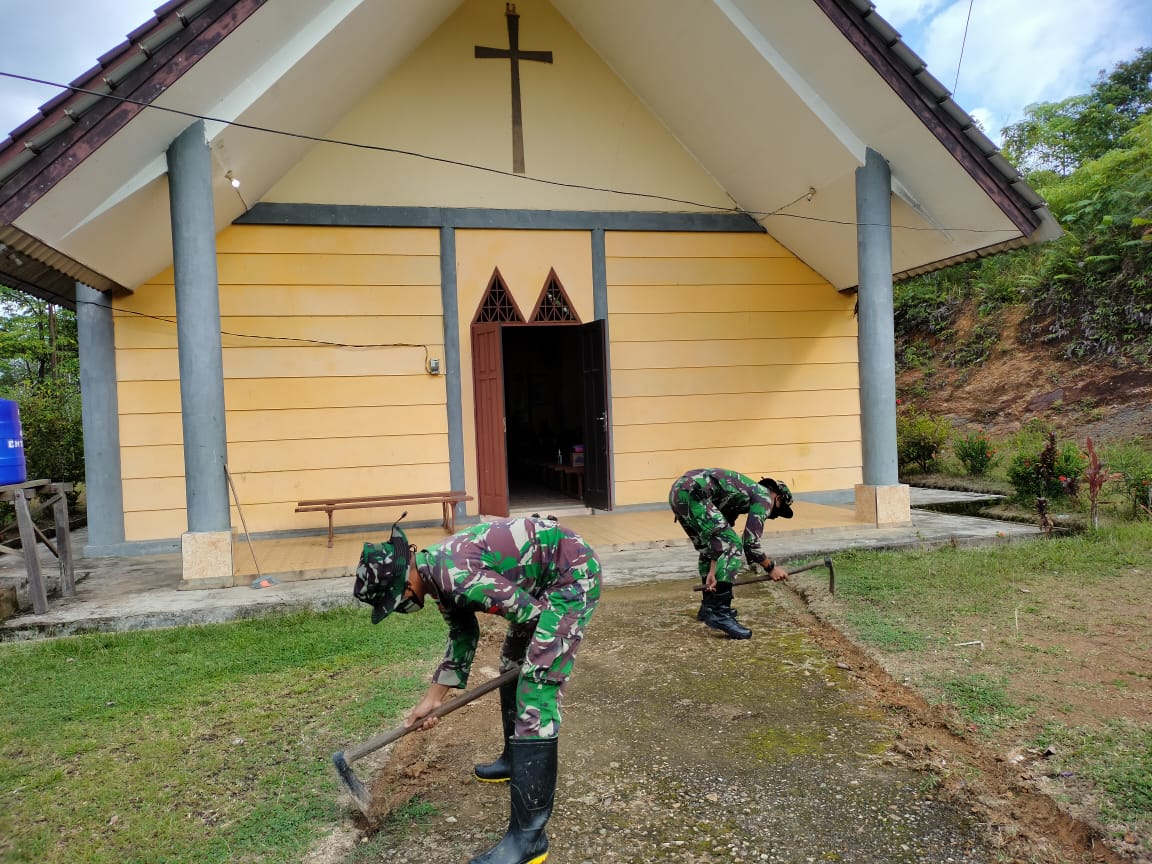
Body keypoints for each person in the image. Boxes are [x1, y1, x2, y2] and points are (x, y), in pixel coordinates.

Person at [352, 514, 601, 864]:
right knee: (511, 663)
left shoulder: (457, 577)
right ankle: (515, 760)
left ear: (405, 583)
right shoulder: (434, 575)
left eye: (397, 600)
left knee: (536, 692)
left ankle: (529, 841)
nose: (402, 607)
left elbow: (531, 615)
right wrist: (432, 699)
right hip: (542, 584)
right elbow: (463, 634)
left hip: (570, 578)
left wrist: (542, 659)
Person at [668, 468, 793, 639]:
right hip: (694, 493)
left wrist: (713, 573)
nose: (775, 515)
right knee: (733, 544)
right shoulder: (764, 497)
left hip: (679, 492)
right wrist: (771, 568)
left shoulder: (738, 497)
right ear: (777, 498)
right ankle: (721, 614)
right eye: (780, 509)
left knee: (711, 546)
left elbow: (716, 545)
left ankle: (709, 607)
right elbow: (750, 543)